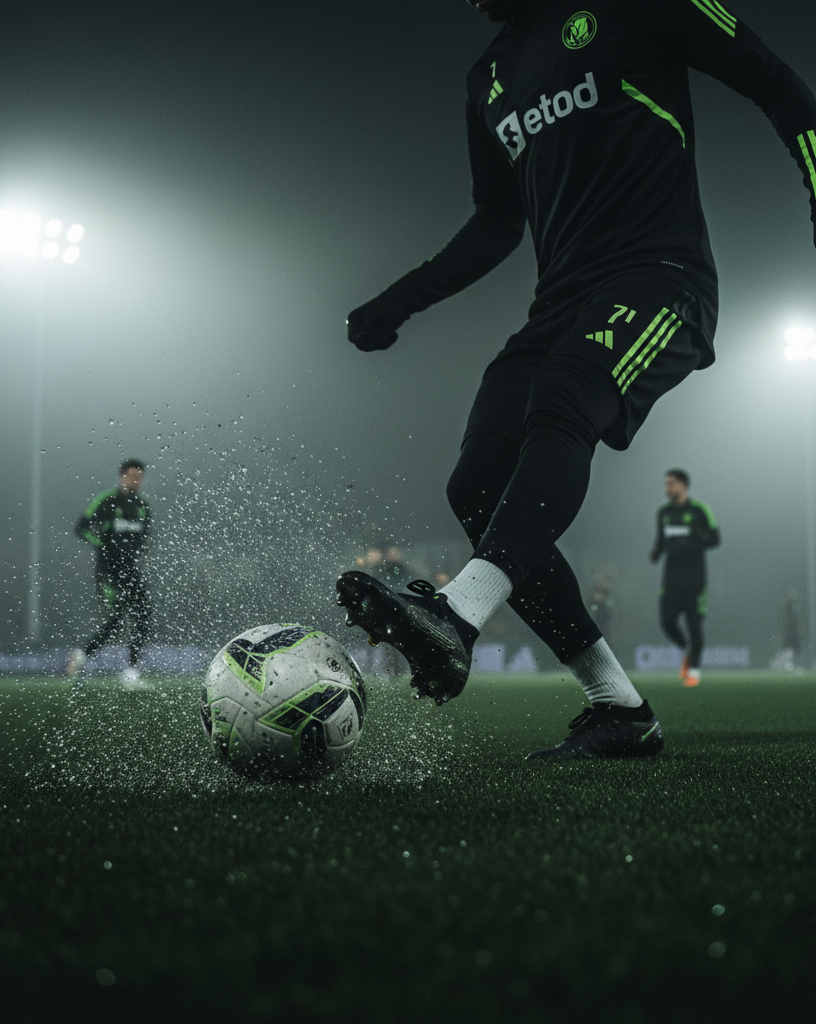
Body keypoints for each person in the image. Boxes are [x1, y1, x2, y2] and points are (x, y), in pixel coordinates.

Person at [335, 0, 816, 758]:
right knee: (476, 485)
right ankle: (618, 709)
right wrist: (403, 297)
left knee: (562, 399)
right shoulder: (487, 76)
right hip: (557, 307)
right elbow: (498, 219)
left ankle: (457, 616)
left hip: (664, 279)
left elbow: (775, 80)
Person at [66, 459, 152, 688]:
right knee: (115, 623)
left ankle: (131, 673)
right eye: (132, 475)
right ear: (122, 476)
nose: (136, 480)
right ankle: (81, 656)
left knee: (144, 617)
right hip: (108, 573)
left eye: (139, 476)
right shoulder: (107, 501)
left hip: (131, 572)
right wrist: (102, 546)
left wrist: (134, 557)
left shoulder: (143, 507)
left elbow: (144, 541)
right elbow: (81, 528)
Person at [650, 469, 720, 687]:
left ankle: (694, 672)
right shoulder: (664, 512)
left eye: (671, 483)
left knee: (694, 625)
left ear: (683, 485)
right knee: (667, 621)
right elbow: (661, 539)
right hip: (671, 579)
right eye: (666, 484)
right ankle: (687, 649)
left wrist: (693, 541)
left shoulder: (699, 510)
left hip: (694, 580)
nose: (667, 488)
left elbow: (715, 538)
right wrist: (656, 551)